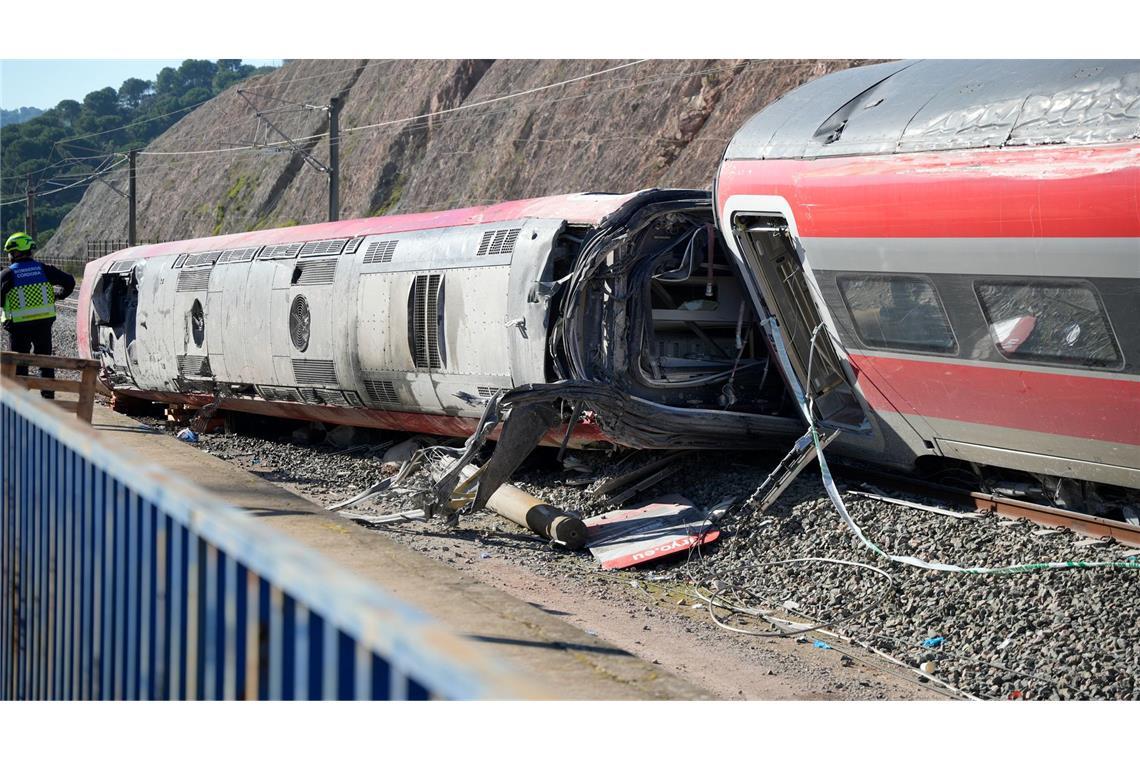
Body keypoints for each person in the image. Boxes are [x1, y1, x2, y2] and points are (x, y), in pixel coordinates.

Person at [1, 232, 76, 399]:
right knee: (45, 360)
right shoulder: (44, 269)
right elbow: (70, 281)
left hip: (18, 326)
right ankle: (48, 398)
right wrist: (60, 295)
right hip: (43, 323)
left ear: (15, 252)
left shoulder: (8, 274)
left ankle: (21, 400)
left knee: (20, 363)